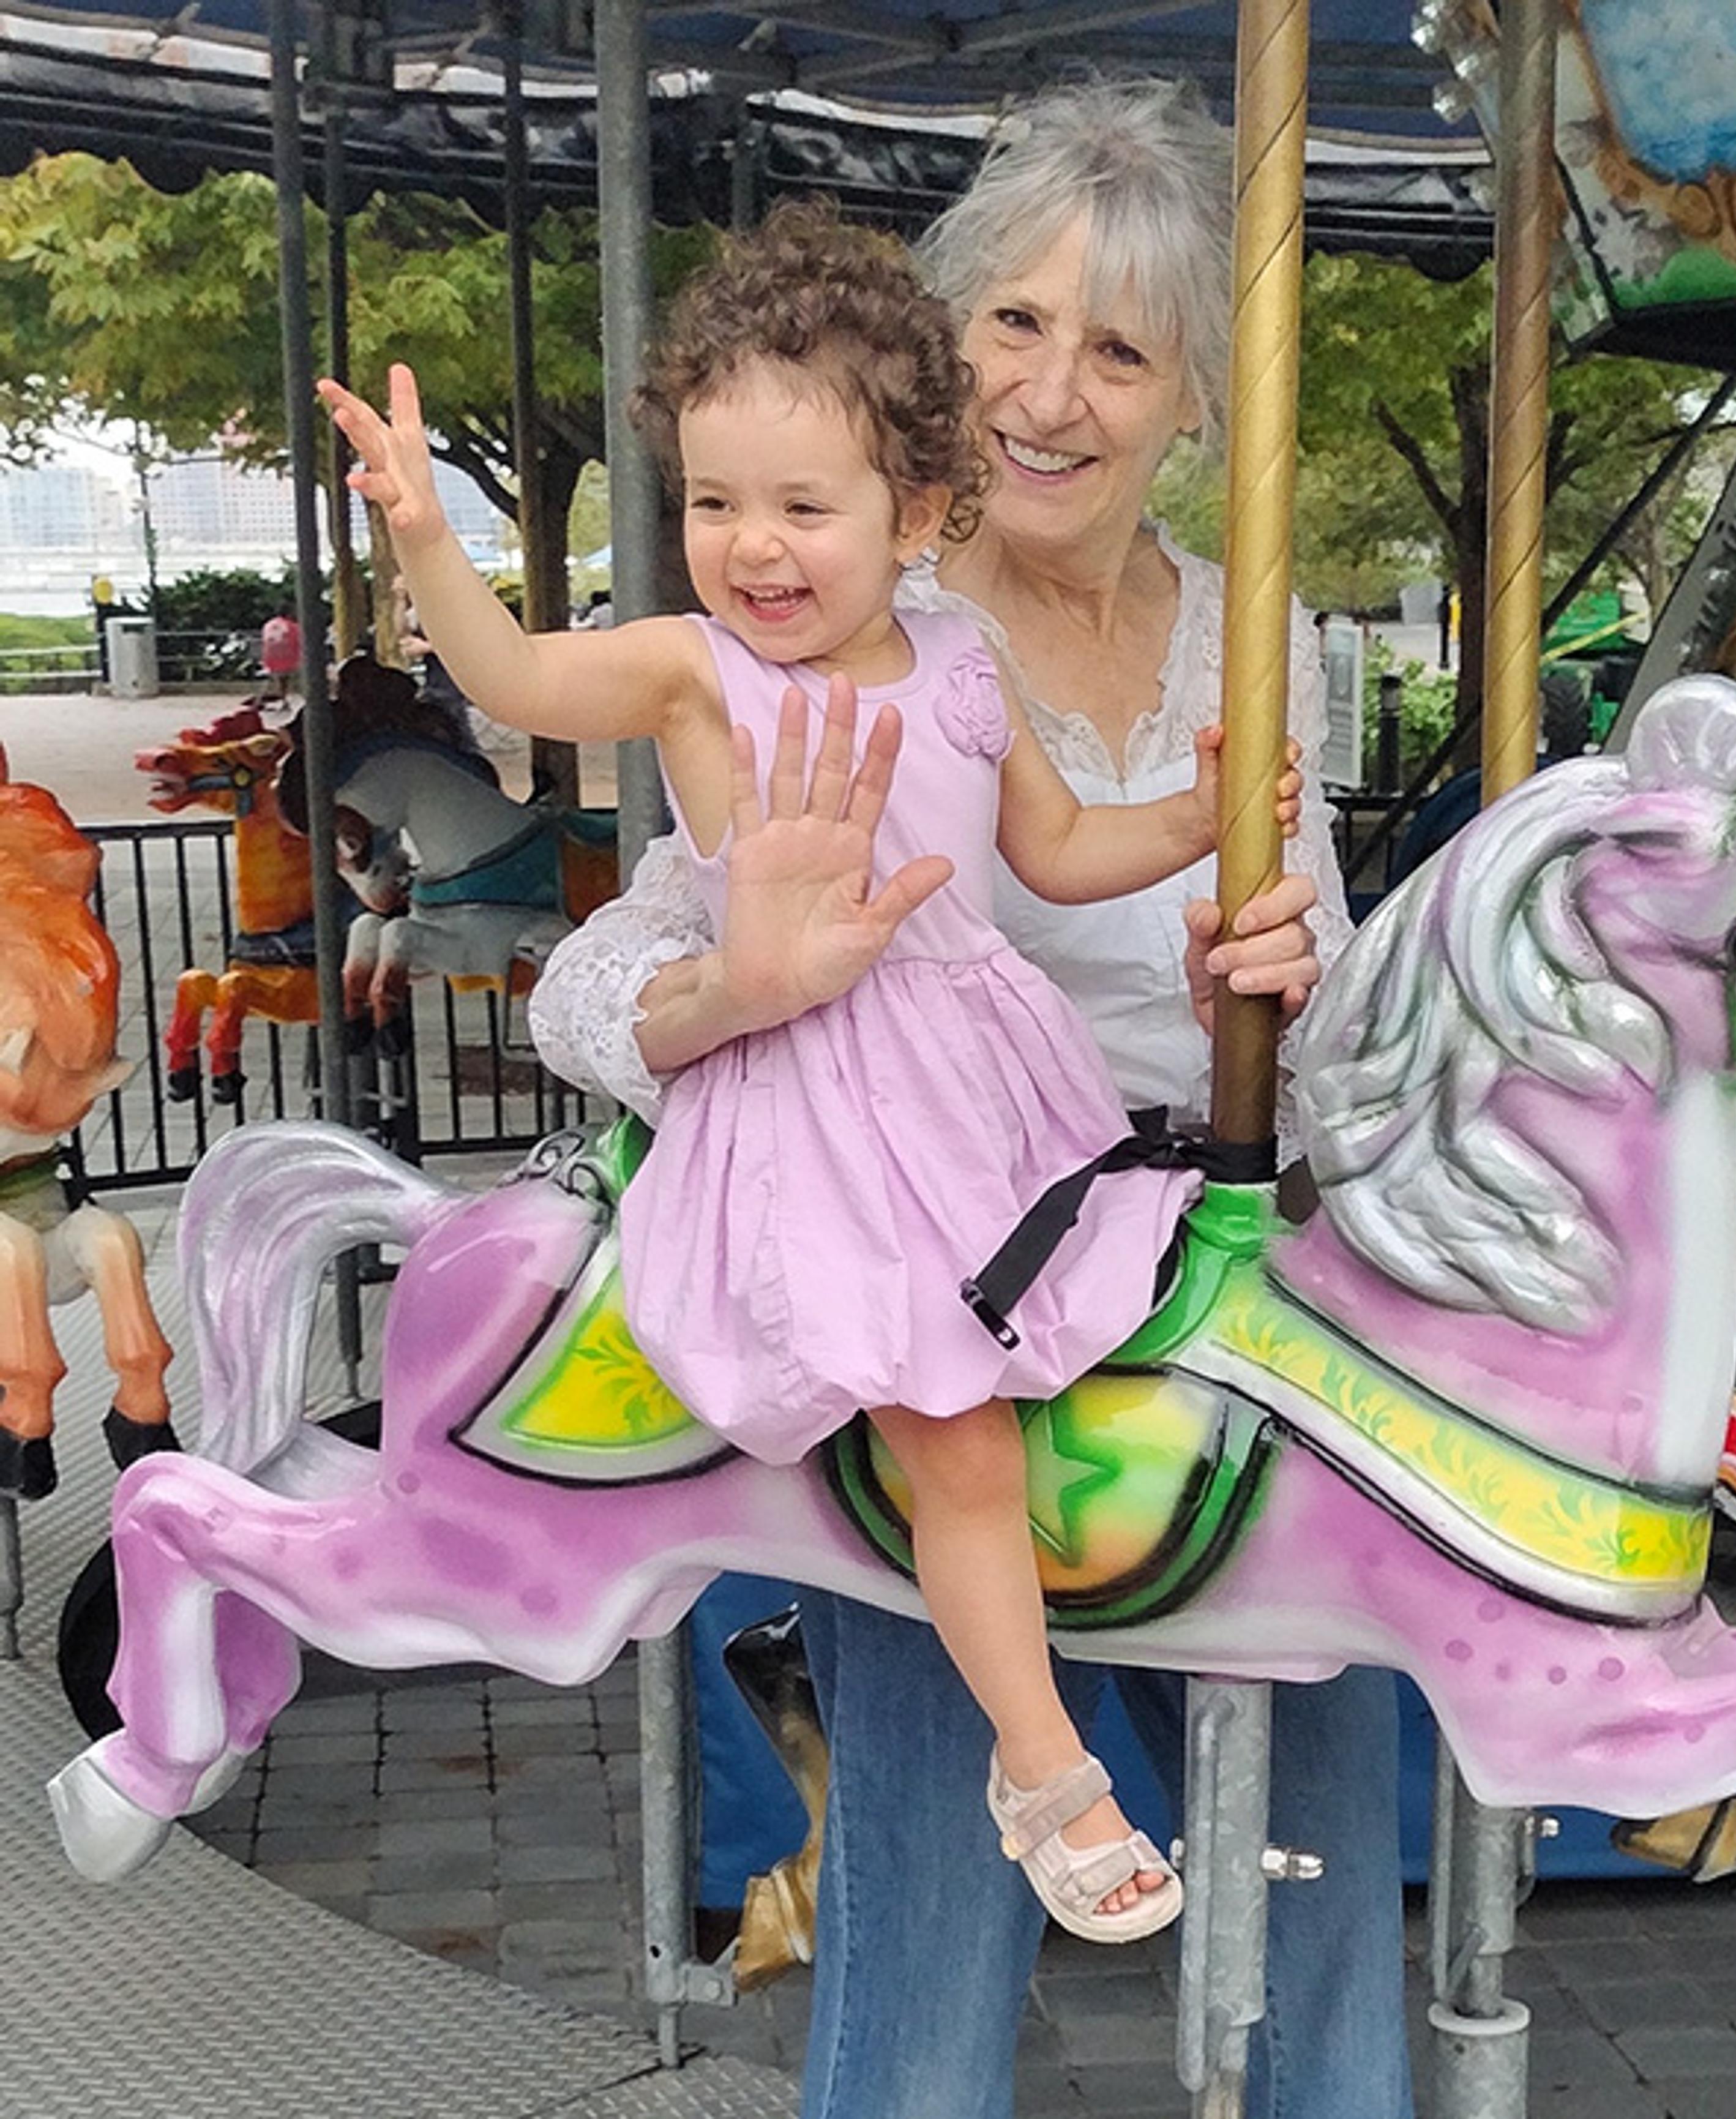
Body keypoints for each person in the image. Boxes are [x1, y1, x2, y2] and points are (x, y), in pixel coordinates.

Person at [528, 78, 1416, 2119]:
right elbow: (597, 982)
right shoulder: (829, 632)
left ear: (1199, 401)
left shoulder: (1248, 647)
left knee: (1320, 1915)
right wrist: (722, 990)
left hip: (1212, 1300)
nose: (1053, 393)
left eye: (1120, 349)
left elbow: (1353, 1016)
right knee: (929, 1946)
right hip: (952, 1298)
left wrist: (1291, 977)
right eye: (1013, 326)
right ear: (933, 371)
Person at [321, 204, 1309, 1945]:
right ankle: (1043, 1770)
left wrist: (1210, 809)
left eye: (802, 508)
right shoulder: (693, 675)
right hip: (821, 1105)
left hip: (988, 1091)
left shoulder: (961, 663)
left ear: (919, 516)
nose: (752, 550)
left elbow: (1062, 853)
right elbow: (510, 672)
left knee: (1110, 1365)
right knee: (960, 1436)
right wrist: (425, 544)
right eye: (714, 503)